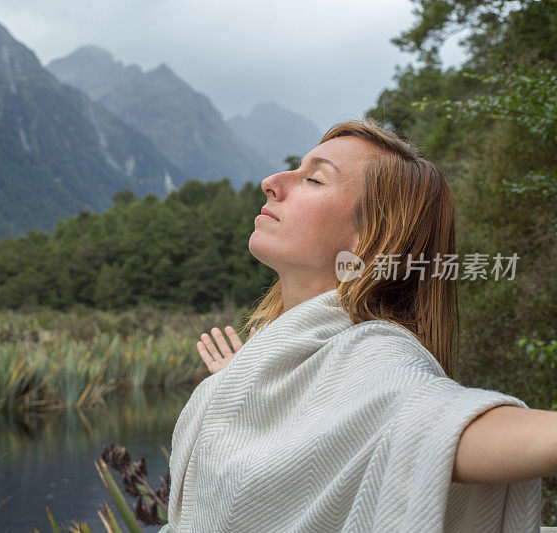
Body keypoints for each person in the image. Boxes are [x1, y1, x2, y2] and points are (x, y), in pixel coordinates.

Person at [159, 117, 555, 532]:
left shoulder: (375, 352)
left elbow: (437, 424)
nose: (271, 182)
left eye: (314, 180)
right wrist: (246, 389)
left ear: (372, 236)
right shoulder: (282, 362)